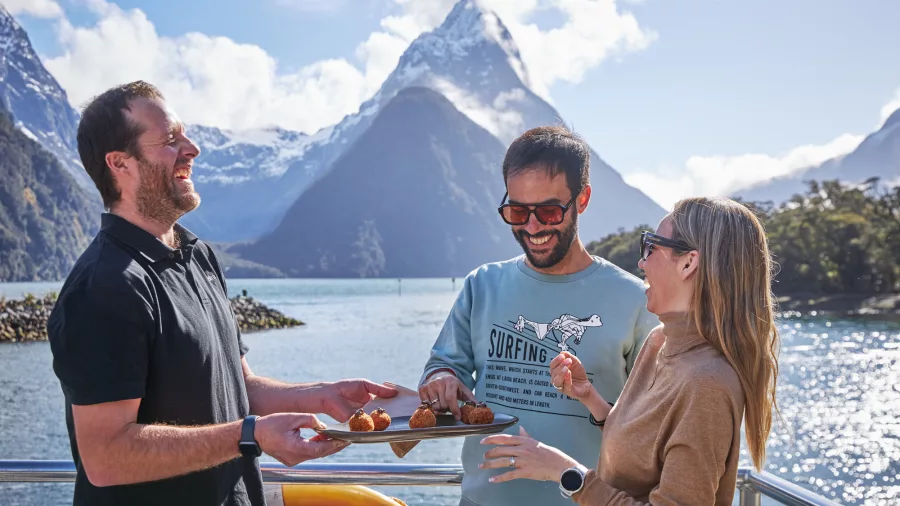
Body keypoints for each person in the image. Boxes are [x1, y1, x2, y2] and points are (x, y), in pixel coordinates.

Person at [46, 81, 396, 506]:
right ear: (121, 164)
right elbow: (105, 456)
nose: (192, 148)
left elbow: (236, 384)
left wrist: (321, 395)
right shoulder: (104, 286)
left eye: (185, 134)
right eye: (171, 140)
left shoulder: (198, 256)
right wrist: (249, 435)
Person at [479, 197, 781, 505]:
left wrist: (566, 472)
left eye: (651, 246)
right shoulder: (660, 341)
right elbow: (646, 446)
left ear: (689, 263)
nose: (641, 262)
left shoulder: (707, 384)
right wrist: (590, 397)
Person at [418, 125, 659, 506]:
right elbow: (443, 366)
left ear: (582, 200)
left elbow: (651, 428)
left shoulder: (637, 301)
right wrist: (441, 377)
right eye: (517, 211)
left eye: (548, 211)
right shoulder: (481, 285)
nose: (532, 227)